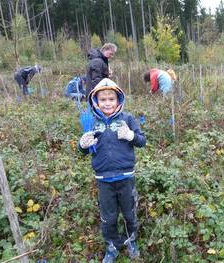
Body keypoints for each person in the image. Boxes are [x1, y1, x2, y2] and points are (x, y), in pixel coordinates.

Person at [78, 78, 146, 263]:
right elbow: (84, 149)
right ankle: (112, 246)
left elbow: (141, 141)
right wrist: (82, 145)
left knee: (129, 212)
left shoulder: (128, 119)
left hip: (126, 178)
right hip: (104, 180)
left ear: (118, 100)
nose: (107, 103)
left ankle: (131, 241)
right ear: (96, 102)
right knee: (108, 217)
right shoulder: (92, 121)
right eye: (103, 100)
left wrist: (131, 135)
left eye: (111, 99)